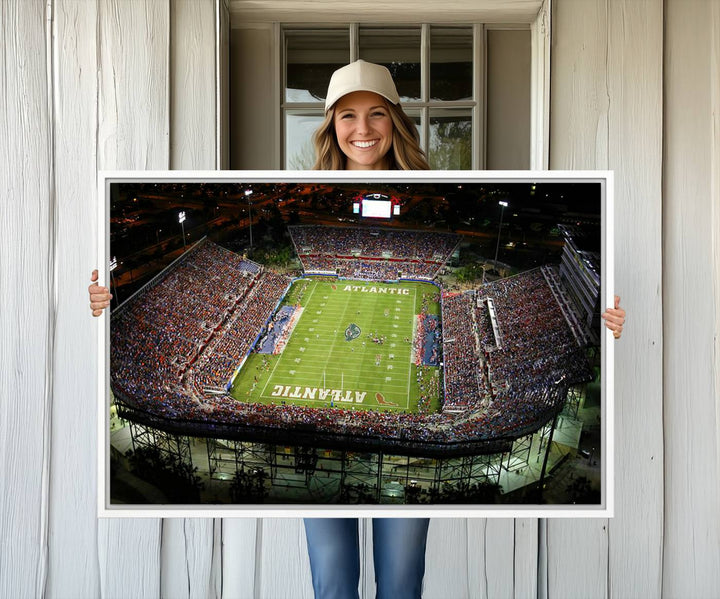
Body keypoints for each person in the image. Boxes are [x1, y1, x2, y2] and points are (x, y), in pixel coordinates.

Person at [88, 59, 626, 599]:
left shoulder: (433, 188)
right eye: (347, 116)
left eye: (376, 115)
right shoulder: (303, 184)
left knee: (400, 578)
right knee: (332, 578)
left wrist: (603, 322)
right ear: (330, 126)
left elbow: (590, 316)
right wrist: (102, 306)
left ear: (396, 121)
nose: (362, 129)